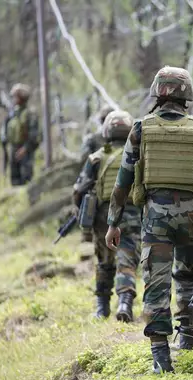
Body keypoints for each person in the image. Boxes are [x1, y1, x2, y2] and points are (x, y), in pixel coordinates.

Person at [104, 66, 193, 374]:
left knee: (156, 284)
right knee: (187, 277)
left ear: (157, 93)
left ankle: (161, 359)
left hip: (157, 219)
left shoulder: (140, 129)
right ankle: (187, 336)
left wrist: (113, 222)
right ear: (187, 95)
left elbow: (123, 181)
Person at [73, 110, 141, 321]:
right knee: (127, 260)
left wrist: (80, 211)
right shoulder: (138, 155)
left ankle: (102, 308)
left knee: (104, 262)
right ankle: (124, 304)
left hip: (103, 216)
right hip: (132, 214)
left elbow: (79, 189)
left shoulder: (96, 158)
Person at [78, 105, 115, 262]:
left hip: (99, 194)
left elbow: (84, 162)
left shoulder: (93, 140)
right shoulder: (130, 141)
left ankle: (86, 236)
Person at [2, 83, 40, 186]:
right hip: (14, 148)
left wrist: (25, 149)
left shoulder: (29, 114)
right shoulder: (13, 113)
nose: (14, 99)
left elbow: (34, 135)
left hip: (25, 150)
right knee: (14, 179)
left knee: (26, 179)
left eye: (16, 96)